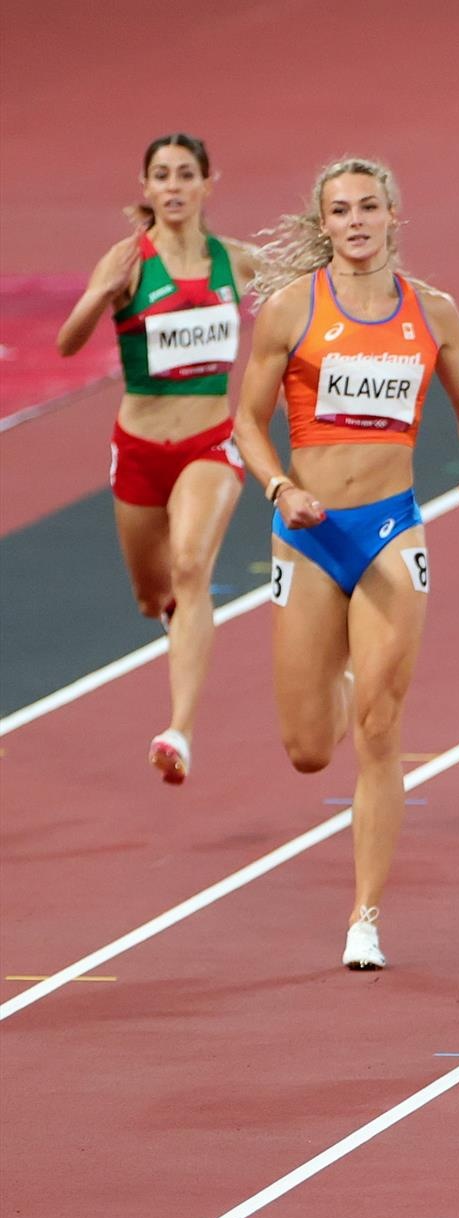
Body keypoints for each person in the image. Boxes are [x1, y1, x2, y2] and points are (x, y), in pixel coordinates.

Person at [232, 157, 459, 970]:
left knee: (382, 731)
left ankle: (364, 917)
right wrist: (280, 488)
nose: (355, 221)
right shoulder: (291, 310)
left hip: (391, 530)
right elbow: (245, 422)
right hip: (308, 534)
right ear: (323, 225)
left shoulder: (434, 313)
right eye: (340, 210)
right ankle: (340, 678)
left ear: (393, 216)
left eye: (368, 207)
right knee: (310, 747)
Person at [54, 133, 261, 783]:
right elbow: (67, 344)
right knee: (154, 595)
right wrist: (100, 294)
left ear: (207, 183)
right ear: (146, 189)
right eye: (161, 176)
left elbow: (313, 283)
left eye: (185, 174)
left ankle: (179, 732)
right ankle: (173, 614)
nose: (173, 186)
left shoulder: (239, 261)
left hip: (210, 442)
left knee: (193, 563)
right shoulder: (128, 261)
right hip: (140, 449)